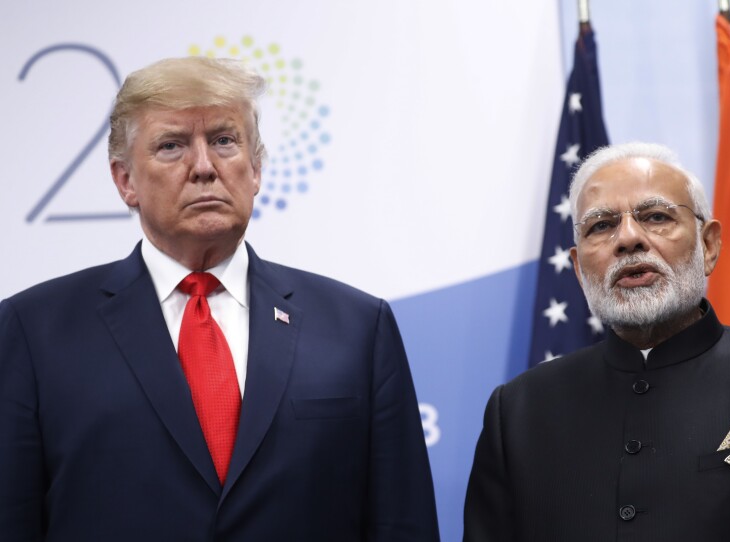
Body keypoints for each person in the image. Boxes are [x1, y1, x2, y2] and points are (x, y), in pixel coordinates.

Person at [0, 57, 439, 541]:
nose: (204, 167)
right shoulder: (33, 332)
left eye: (224, 141)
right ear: (125, 180)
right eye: (171, 146)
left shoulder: (358, 328)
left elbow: (404, 525)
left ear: (255, 169)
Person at [463, 142, 730, 541]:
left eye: (656, 216)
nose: (628, 238)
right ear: (577, 268)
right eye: (602, 225)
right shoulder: (518, 411)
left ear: (709, 245)